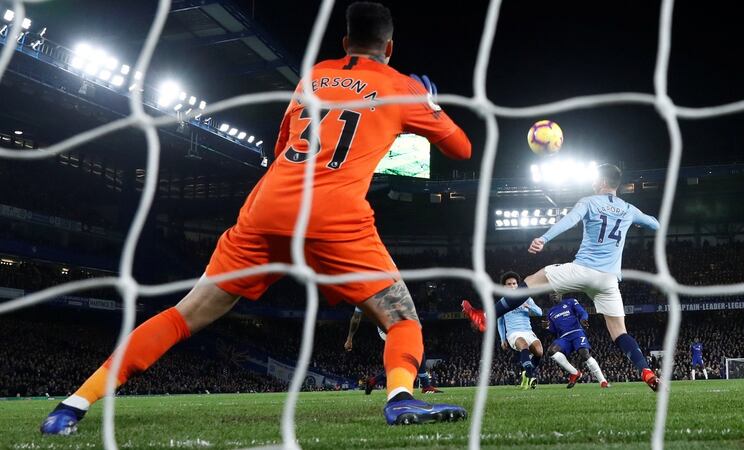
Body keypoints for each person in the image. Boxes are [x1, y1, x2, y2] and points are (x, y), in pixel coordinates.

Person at [41, 2, 472, 434]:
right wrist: (428, 105)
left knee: (183, 314)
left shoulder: (315, 75)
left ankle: (72, 405)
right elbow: (462, 150)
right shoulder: (401, 87)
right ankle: (399, 398)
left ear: (344, 42)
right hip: (333, 215)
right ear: (390, 47)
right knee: (401, 319)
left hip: (267, 206)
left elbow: (282, 143)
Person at [462, 164, 661, 391]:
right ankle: (645, 370)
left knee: (531, 280)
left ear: (603, 181)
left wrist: (544, 238)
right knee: (620, 332)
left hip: (583, 269)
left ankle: (486, 316)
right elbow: (655, 223)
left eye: (596, 179)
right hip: (609, 280)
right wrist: (636, 220)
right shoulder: (628, 209)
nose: (593, 183)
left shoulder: (589, 201)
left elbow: (569, 220)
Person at [344, 306, 442, 394]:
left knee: (415, 350)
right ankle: (426, 386)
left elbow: (356, 318)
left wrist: (349, 339)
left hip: (391, 326)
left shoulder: (365, 292)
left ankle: (374, 380)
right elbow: (356, 318)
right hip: (389, 327)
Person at [541, 294, 608, 388]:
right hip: (564, 338)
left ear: (561, 293)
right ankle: (575, 373)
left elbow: (582, 312)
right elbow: (554, 330)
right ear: (549, 297)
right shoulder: (550, 312)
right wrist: (547, 327)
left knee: (584, 354)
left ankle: (602, 381)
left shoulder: (571, 301)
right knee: (551, 351)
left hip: (576, 332)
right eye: (552, 294)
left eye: (556, 292)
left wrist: (584, 319)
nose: (554, 295)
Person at [494, 271, 544, 390]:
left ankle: (525, 374)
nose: (512, 286)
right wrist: (502, 339)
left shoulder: (526, 299)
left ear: (518, 285)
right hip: (513, 334)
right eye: (509, 284)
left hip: (528, 331)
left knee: (539, 352)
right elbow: (500, 321)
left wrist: (529, 306)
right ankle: (531, 376)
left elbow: (540, 312)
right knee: (524, 346)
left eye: (514, 283)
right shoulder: (503, 303)